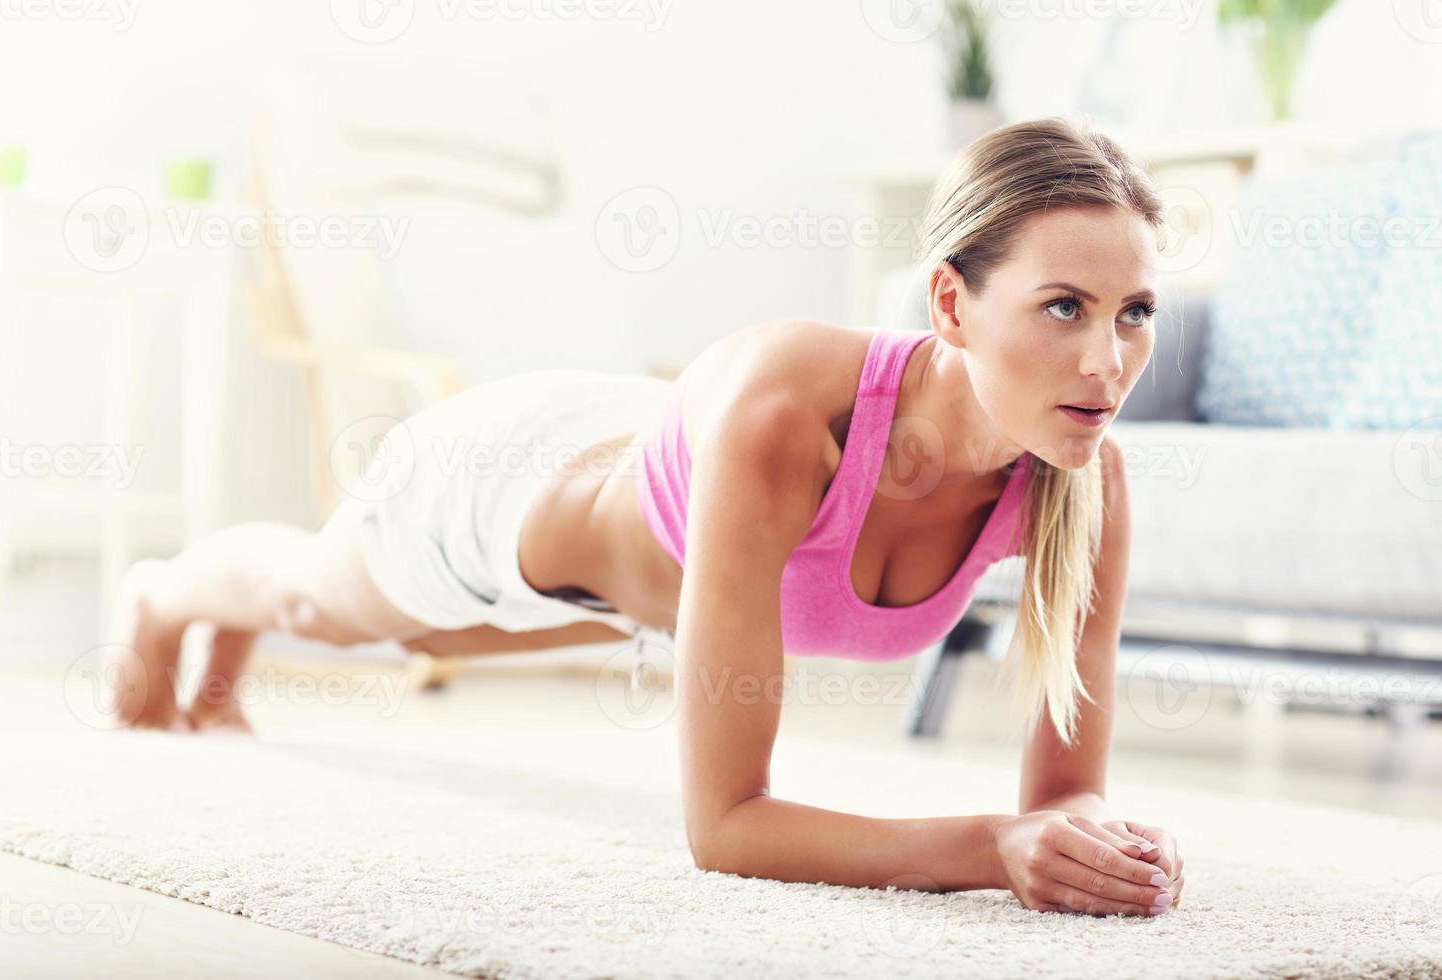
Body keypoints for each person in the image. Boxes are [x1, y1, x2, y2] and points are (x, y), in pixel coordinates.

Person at [105, 116, 1184, 918]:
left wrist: (1092, 847)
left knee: (426, 639)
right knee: (327, 600)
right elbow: (727, 826)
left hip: (636, 570)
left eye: (1135, 313)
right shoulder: (784, 420)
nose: (1108, 362)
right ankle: (164, 594)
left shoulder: (1085, 478)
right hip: (504, 483)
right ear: (951, 303)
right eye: (1062, 308)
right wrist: (994, 845)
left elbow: (1067, 798)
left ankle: (217, 625)